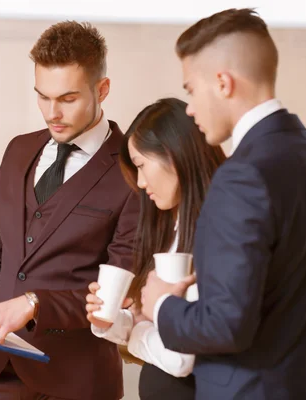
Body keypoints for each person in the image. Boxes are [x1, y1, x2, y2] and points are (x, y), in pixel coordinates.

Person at [140, 8, 306, 400]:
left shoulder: (241, 176)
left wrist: (161, 305)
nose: (189, 107)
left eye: (190, 89)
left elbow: (225, 325)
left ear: (223, 83)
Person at [0, 21, 139, 400]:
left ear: (103, 89)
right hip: (0, 371)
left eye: (67, 98)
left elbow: (121, 291)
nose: (52, 113)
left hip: (79, 381)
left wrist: (35, 304)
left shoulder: (133, 168)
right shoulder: (18, 151)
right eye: (42, 97)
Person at [85, 98, 226, 400]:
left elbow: (181, 357)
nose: (139, 182)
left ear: (175, 155)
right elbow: (157, 322)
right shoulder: (171, 227)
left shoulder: (216, 232)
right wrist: (108, 322)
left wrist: (136, 333)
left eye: (141, 166)